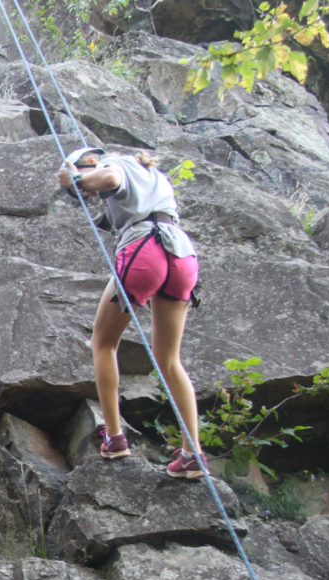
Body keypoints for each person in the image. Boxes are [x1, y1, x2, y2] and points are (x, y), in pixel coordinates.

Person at [58, 146, 205, 479]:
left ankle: (114, 437)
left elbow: (108, 177)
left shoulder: (112, 164)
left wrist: (74, 177)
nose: (90, 194)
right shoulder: (154, 176)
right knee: (169, 359)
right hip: (181, 254)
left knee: (103, 343)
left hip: (144, 250)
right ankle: (192, 453)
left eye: (87, 189)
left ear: (90, 163)